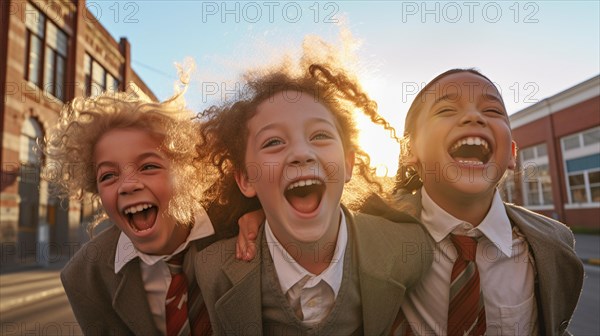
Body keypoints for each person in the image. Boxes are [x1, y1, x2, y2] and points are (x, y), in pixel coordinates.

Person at [193, 59, 434, 335]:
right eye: (273, 142)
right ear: (246, 179)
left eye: (319, 135)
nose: (301, 153)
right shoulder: (212, 270)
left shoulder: (409, 248)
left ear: (348, 163)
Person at [41, 76, 257, 335]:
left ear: (184, 171)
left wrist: (263, 215)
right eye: (108, 175)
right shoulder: (84, 277)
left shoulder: (234, 217)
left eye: (149, 166)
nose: (128, 185)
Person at [380, 68, 583, 335]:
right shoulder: (372, 235)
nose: (474, 116)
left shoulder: (553, 244)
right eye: (446, 110)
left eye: (492, 111)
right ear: (410, 150)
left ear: (511, 154)